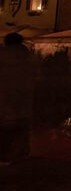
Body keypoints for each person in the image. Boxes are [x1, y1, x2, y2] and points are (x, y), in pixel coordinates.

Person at [0, 33, 38, 163]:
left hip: (5, 97)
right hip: (24, 98)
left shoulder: (3, 55)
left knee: (6, 127)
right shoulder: (28, 56)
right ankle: (22, 154)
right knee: (21, 127)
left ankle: (4, 155)